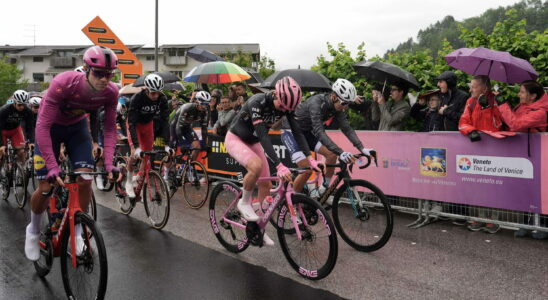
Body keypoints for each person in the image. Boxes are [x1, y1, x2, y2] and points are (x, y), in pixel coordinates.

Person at [25, 45, 120, 261]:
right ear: (87, 69)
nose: (104, 79)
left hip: (77, 130)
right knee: (46, 186)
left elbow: (109, 128)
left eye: (109, 74)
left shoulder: (111, 92)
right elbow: (42, 127)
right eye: (99, 73)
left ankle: (77, 232)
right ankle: (33, 229)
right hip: (50, 129)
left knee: (86, 179)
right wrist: (51, 164)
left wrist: (108, 163)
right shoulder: (64, 83)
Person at [225, 76, 312, 246]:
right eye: (282, 106)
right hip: (236, 139)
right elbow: (264, 135)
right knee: (256, 166)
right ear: (276, 95)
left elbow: (298, 133)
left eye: (287, 109)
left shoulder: (286, 106)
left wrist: (309, 158)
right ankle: (244, 203)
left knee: (267, 186)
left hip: (253, 142)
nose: (283, 110)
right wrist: (279, 165)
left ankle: (257, 227)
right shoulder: (257, 101)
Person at [284, 78, 374, 195]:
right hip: (291, 132)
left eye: (348, 104)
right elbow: (319, 132)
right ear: (334, 96)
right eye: (344, 103)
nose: (345, 107)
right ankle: (292, 201)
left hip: (305, 133)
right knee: (307, 170)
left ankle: (323, 190)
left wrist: (361, 148)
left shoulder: (338, 107)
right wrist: (341, 152)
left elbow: (347, 128)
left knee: (331, 155)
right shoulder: (316, 103)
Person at [497, 80, 547, 239]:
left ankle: (543, 226)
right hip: (524, 156)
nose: (519, 94)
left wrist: (504, 105)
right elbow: (509, 123)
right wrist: (497, 104)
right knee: (525, 189)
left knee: (541, 190)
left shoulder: (541, 111)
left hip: (539, 156)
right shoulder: (521, 106)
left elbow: (516, 124)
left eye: (522, 92)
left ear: (532, 96)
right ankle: (525, 223)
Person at [459, 75, 503, 233]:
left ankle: (493, 220)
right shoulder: (470, 102)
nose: (470, 89)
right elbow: (463, 122)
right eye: (471, 86)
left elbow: (501, 122)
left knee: (492, 185)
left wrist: (487, 108)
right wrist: (470, 132)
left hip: (494, 149)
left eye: (474, 87)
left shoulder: (496, 100)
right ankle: (479, 217)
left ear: (485, 88)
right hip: (476, 148)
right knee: (476, 184)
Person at [125, 74, 172, 198]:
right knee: (134, 153)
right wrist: (136, 146)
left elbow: (165, 121)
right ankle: (128, 181)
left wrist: (167, 144)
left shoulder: (162, 99)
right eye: (153, 93)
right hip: (134, 124)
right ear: (146, 89)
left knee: (147, 153)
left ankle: (139, 176)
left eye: (158, 93)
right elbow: (131, 123)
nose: (155, 96)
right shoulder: (137, 98)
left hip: (148, 125)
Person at [172, 91, 210, 162]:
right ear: (197, 101)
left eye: (206, 104)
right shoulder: (187, 107)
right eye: (203, 104)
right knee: (172, 151)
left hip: (187, 127)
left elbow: (204, 129)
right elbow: (178, 126)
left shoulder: (205, 111)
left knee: (197, 147)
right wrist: (182, 142)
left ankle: (188, 166)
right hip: (175, 126)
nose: (204, 106)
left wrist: (205, 144)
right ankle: (166, 171)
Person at [0, 90, 35, 164]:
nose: (22, 107)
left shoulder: (28, 111)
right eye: (19, 105)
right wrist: (1, 145)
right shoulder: (4, 111)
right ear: (14, 102)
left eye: (24, 105)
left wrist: (31, 141)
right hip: (2, 131)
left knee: (21, 151)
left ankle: (22, 170)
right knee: (1, 153)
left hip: (15, 130)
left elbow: (30, 127)